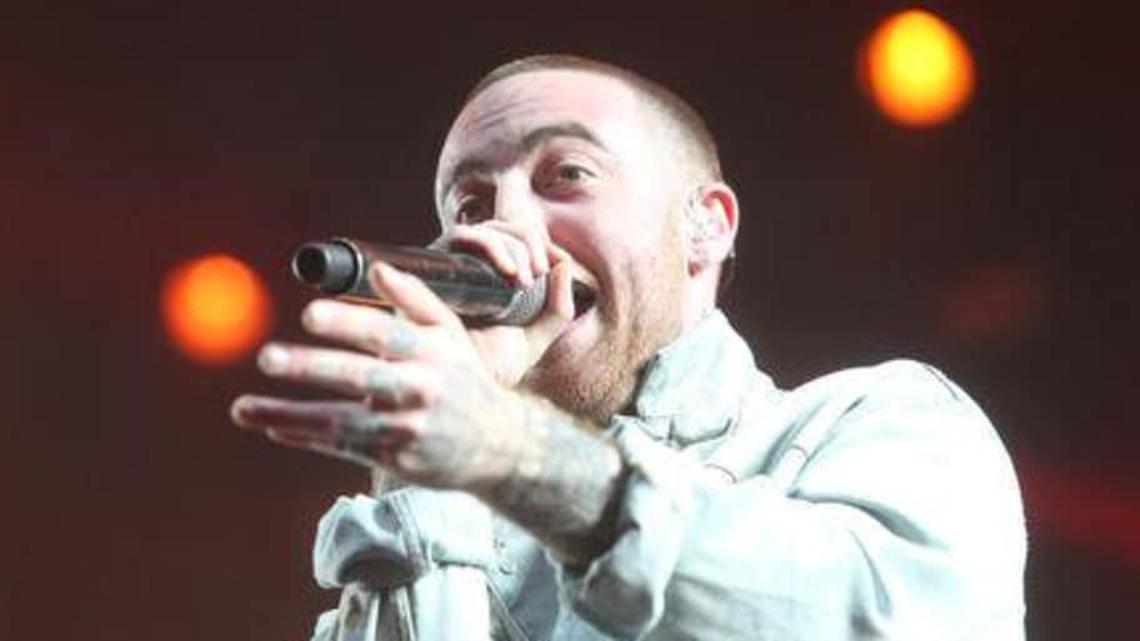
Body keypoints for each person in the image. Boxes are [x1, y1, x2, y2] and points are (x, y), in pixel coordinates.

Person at [231, 55, 1027, 640]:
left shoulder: (879, 422)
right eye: (469, 203)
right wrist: (424, 478)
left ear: (706, 226)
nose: (501, 227)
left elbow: (875, 619)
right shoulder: (466, 539)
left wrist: (513, 453)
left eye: (567, 175)